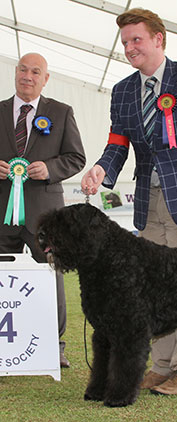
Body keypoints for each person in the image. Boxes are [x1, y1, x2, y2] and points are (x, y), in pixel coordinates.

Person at [81, 8, 177, 395]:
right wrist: (102, 169)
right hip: (146, 200)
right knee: (154, 287)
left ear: (158, 39)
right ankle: (162, 365)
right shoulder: (122, 91)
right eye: (125, 43)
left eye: (137, 40)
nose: (130, 48)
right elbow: (118, 144)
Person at [0, 53, 86, 368]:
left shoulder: (61, 113)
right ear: (15, 72)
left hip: (46, 215)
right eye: (23, 69)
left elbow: (76, 157)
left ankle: (55, 344)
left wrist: (48, 169)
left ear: (45, 78)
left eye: (36, 71)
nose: (28, 75)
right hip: (1, 214)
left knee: (52, 278)